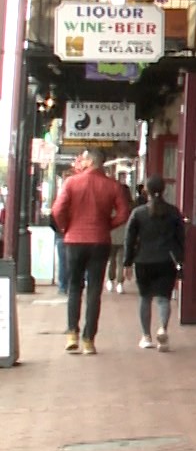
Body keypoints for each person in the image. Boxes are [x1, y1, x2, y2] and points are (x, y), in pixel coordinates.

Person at [51, 148, 132, 355]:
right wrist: (108, 225)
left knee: (74, 287)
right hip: (99, 240)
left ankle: (72, 333)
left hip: (74, 240)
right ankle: (89, 339)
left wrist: (65, 227)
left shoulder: (71, 183)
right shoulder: (112, 186)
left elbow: (57, 210)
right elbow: (124, 213)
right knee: (95, 290)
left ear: (89, 161)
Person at [124, 177, 186, 352]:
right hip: (167, 260)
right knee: (163, 299)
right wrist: (181, 261)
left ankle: (146, 336)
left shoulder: (138, 213)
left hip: (143, 260)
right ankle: (163, 329)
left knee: (145, 298)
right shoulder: (173, 212)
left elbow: (129, 239)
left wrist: (127, 262)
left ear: (146, 191)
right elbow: (181, 238)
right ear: (164, 190)